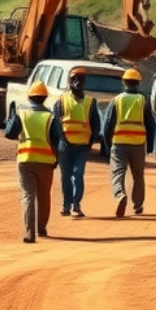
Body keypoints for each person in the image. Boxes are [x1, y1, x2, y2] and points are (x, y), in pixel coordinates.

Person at [8, 80, 60, 242]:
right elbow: (58, 140)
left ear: (29, 97)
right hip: (46, 161)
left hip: (25, 159)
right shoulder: (51, 117)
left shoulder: (22, 113)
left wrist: (12, 116)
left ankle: (29, 232)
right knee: (44, 195)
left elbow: (9, 133)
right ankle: (41, 228)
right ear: (45, 98)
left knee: (28, 195)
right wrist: (57, 159)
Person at [52, 67, 101, 218]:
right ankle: (66, 205)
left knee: (78, 174)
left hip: (82, 147)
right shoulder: (61, 102)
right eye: (74, 79)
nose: (77, 82)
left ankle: (76, 205)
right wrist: (60, 141)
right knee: (65, 176)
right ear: (69, 81)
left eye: (80, 79)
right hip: (64, 146)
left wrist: (90, 142)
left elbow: (96, 125)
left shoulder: (91, 102)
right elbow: (55, 125)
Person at [103, 68, 151, 217]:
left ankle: (120, 195)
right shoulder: (143, 101)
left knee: (118, 172)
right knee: (138, 175)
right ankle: (137, 205)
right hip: (138, 143)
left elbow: (108, 124)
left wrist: (107, 144)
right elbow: (150, 124)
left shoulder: (116, 100)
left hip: (119, 142)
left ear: (124, 82)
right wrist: (150, 145)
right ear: (138, 83)